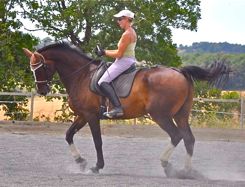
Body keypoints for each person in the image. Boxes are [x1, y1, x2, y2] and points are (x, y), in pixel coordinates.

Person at [95, 9, 137, 118]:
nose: (118, 21)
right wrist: (105, 51)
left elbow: (119, 54)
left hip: (124, 61)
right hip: (127, 59)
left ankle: (118, 108)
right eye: (118, 19)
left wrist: (104, 52)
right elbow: (120, 51)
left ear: (127, 19)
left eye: (120, 19)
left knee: (102, 82)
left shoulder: (127, 34)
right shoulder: (130, 31)